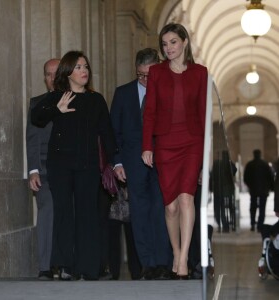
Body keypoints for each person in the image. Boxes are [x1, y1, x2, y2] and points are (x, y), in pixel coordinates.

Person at [31, 50, 117, 280]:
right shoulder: (57, 96)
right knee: (64, 213)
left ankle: (88, 267)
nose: (84, 71)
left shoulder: (96, 99)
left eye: (86, 67)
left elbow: (107, 133)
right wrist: (55, 109)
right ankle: (65, 265)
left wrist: (116, 162)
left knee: (87, 214)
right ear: (68, 72)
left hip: (87, 164)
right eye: (79, 67)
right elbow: (36, 117)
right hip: (60, 165)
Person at [141, 23, 208, 279]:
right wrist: (148, 145)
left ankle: (182, 259)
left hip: (192, 143)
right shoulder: (156, 73)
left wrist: (205, 157)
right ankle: (176, 250)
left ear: (184, 42)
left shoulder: (200, 73)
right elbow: (150, 113)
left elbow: (203, 116)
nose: (168, 48)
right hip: (165, 144)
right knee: (170, 207)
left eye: (173, 42)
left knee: (186, 199)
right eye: (164, 44)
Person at [110, 48, 172, 280]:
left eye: (150, 74)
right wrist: (116, 162)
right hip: (133, 164)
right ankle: (147, 263)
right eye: (140, 75)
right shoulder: (123, 93)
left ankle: (163, 262)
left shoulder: (168, 91)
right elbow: (113, 131)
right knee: (139, 213)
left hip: (163, 161)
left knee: (162, 211)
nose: (146, 80)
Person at [26, 58, 60, 280]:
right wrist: (33, 170)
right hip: (46, 171)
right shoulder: (37, 103)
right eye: (48, 74)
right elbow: (32, 139)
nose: (51, 78)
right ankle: (46, 267)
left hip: (71, 170)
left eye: (56, 73)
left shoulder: (80, 101)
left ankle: (69, 265)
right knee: (47, 211)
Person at [244, 149, 274, 232]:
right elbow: (270, 177)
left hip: (253, 190)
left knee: (253, 207)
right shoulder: (265, 164)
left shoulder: (250, 165)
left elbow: (246, 178)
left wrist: (250, 186)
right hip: (264, 190)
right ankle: (260, 225)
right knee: (262, 208)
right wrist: (271, 188)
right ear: (260, 155)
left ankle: (253, 223)